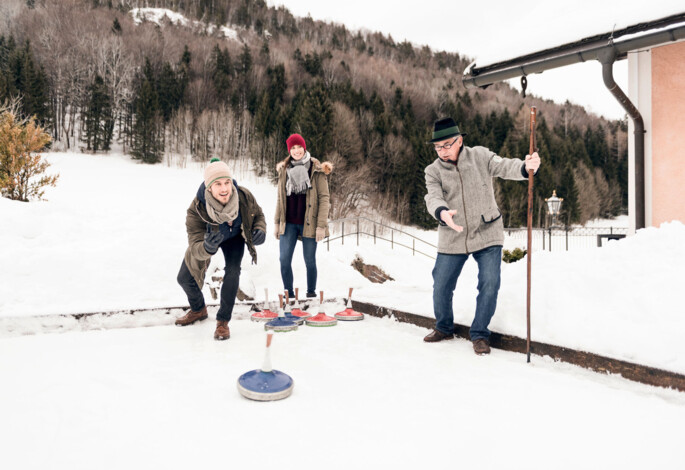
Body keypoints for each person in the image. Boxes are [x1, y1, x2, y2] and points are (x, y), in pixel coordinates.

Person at [423, 117, 541, 355]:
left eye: (447, 145)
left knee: (490, 283)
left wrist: (526, 167)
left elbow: (505, 166)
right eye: (438, 147)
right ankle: (444, 327)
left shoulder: (480, 156)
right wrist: (442, 212)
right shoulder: (433, 171)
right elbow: (433, 197)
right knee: (441, 286)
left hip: (487, 230)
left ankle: (479, 334)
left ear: (460, 140)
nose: (442, 151)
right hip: (453, 233)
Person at [176, 158, 266, 340]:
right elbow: (195, 245)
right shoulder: (197, 210)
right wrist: (207, 247)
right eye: (218, 184)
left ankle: (223, 322)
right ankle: (198, 309)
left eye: (227, 182)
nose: (224, 189)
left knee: (233, 272)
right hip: (208, 242)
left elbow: (258, 214)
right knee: (184, 278)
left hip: (234, 240)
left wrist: (260, 230)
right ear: (209, 187)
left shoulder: (243, 196)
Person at [274, 133, 332, 299]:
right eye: (293, 148)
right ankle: (289, 295)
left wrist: (321, 226)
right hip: (289, 222)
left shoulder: (316, 169)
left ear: (304, 147)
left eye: (299, 146)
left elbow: (324, 198)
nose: (296, 150)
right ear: (289, 150)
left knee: (310, 261)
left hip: (309, 223)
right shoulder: (284, 170)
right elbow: (280, 198)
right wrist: (277, 223)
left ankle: (311, 294)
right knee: (284, 260)